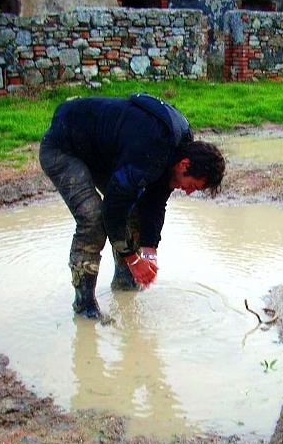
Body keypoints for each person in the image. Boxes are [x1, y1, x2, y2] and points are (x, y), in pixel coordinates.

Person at [39, 93, 225, 319]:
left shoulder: (179, 145)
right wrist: (133, 258)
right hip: (63, 147)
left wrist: (149, 248)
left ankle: (125, 285)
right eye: (192, 186)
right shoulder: (153, 149)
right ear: (185, 165)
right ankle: (84, 306)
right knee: (94, 220)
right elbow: (113, 209)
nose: (187, 191)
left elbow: (155, 200)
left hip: (104, 152)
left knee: (134, 210)